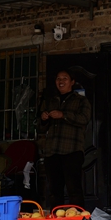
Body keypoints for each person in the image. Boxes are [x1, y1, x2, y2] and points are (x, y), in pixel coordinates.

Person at [39, 69, 91, 210]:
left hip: (72, 150)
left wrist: (63, 115)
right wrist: (43, 119)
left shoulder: (81, 100)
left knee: (74, 189)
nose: (61, 81)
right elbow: (41, 129)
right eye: (58, 78)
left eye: (65, 78)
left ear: (72, 82)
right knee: (54, 191)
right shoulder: (51, 101)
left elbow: (84, 119)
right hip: (52, 151)